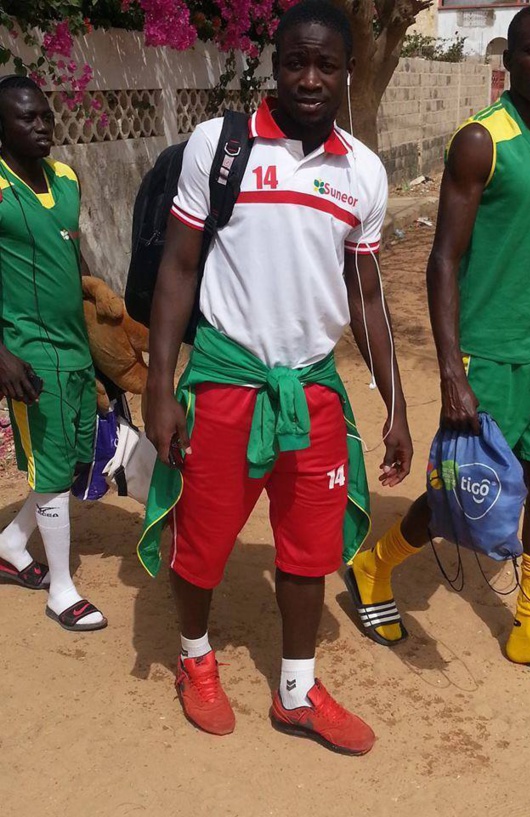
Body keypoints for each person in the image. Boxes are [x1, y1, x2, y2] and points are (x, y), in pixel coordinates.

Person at [140, 0, 413, 753]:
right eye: (296, 60)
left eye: (327, 63)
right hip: (226, 382)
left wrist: (395, 404)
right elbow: (178, 269)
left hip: (314, 393)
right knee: (202, 541)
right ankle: (195, 661)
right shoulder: (219, 147)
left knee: (308, 548)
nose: (310, 77)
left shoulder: (362, 172)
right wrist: (160, 387)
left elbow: (366, 298)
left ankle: (296, 690)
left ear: (348, 70)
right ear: (274, 62)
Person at [345, 3, 530, 692]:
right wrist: (450, 370)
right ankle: (373, 566)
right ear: (509, 61)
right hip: (485, 361)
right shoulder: (479, 141)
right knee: (463, 498)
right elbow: (443, 260)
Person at [0, 75, 106, 632]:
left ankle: (12, 543)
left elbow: (74, 256)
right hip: (27, 352)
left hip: (75, 348)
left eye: (45, 115)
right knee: (55, 462)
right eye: (26, 118)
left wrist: (99, 324)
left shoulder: (67, 178)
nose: (42, 126)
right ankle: (61, 591)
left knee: (66, 463)